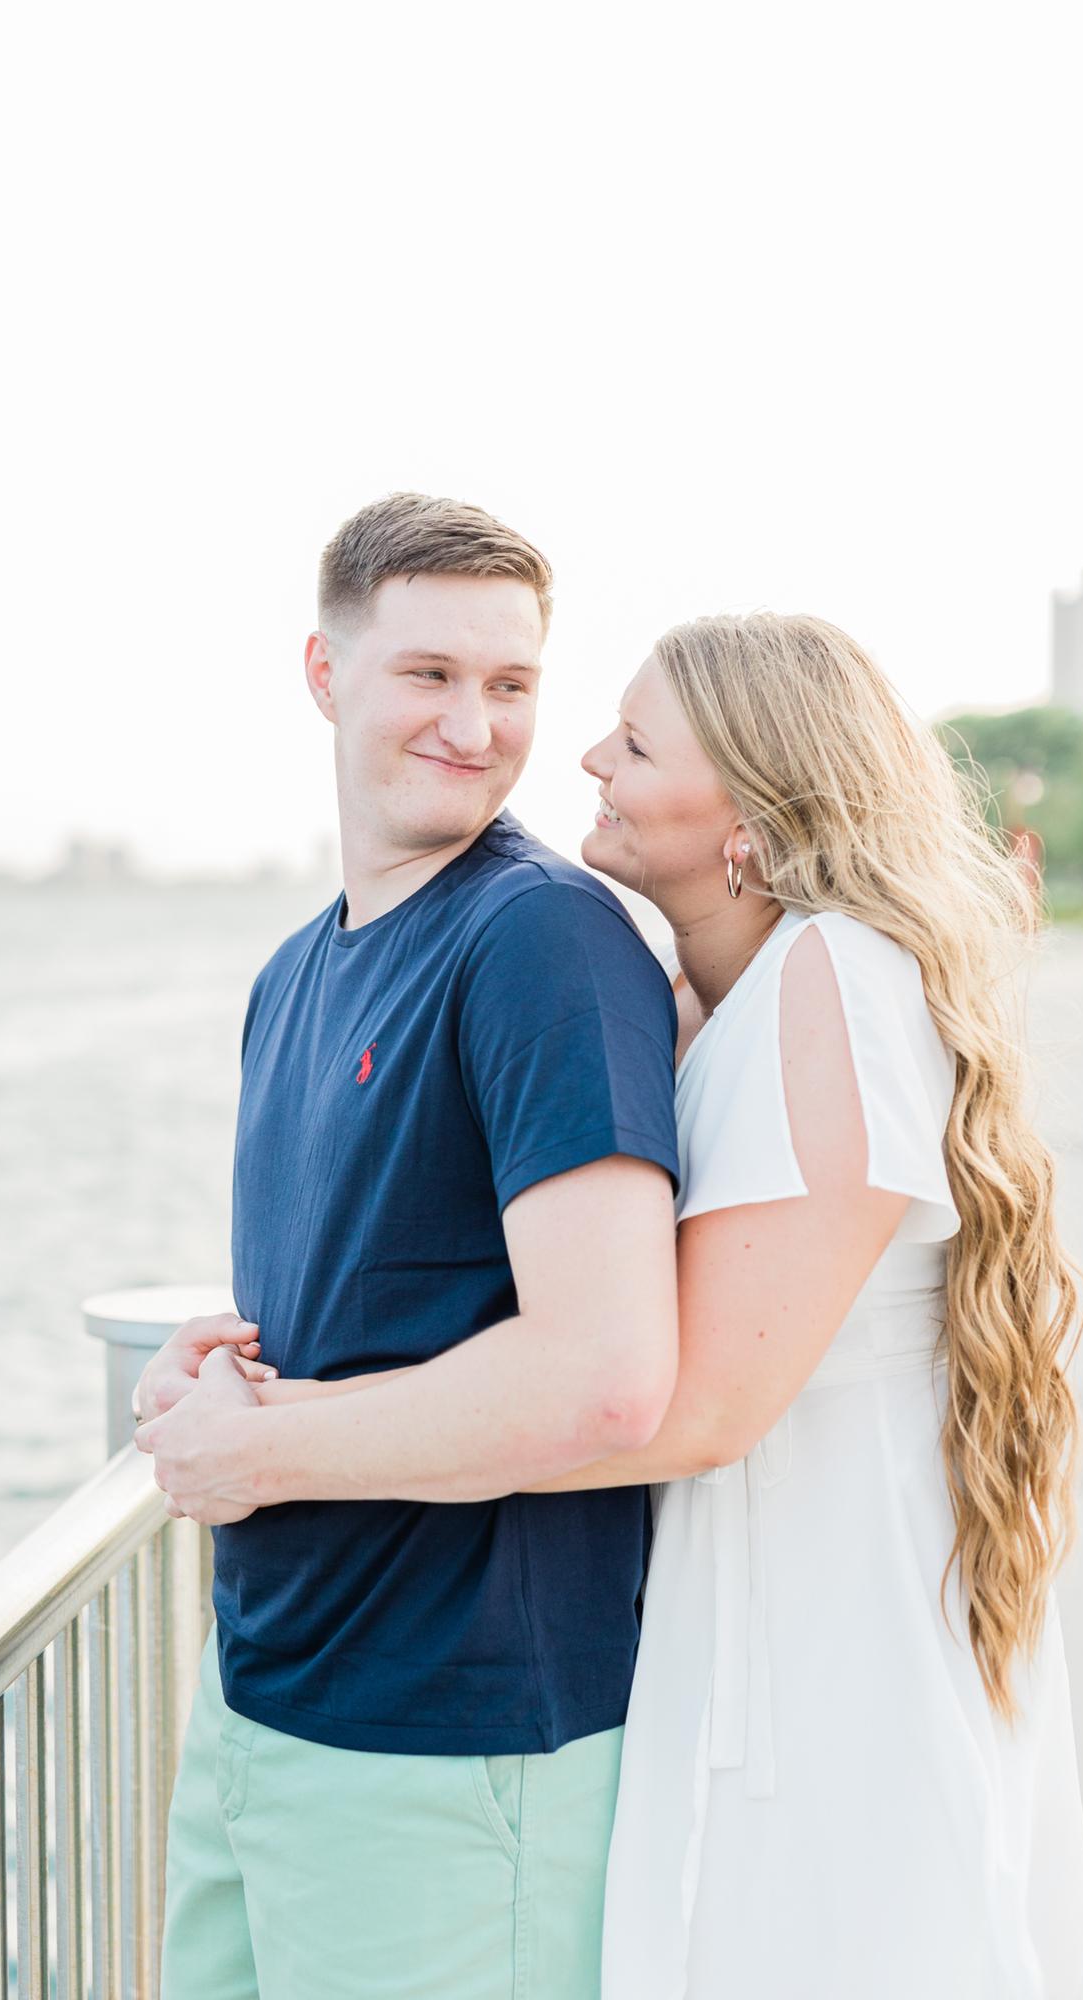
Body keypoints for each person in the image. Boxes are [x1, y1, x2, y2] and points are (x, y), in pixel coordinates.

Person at [153, 611, 1083, 1998]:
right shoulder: (699, 1002)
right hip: (729, 1597)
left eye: (638, 739)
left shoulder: (833, 981)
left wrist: (275, 1444)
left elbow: (690, 1404)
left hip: (826, 1621)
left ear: (752, 809)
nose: (586, 755)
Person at [135, 492, 683, 1999]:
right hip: (262, 1704)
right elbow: (372, 1301)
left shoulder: (541, 942)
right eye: (428, 674)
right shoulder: (290, 975)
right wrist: (221, 1382)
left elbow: (606, 1377)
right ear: (325, 673)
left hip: (458, 1751)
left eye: (510, 685)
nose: (474, 724)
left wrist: (263, 1455)